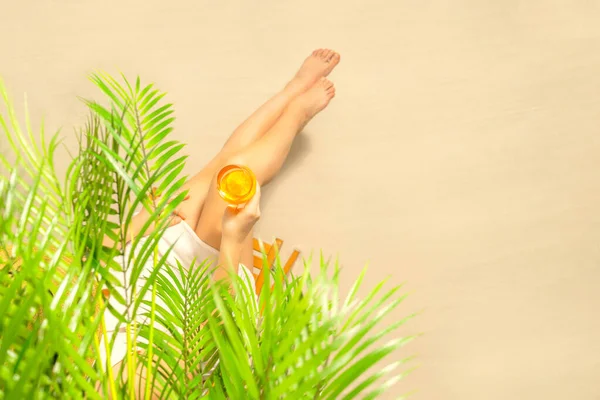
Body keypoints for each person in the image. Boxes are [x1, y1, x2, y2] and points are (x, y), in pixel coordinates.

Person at [99, 49, 341, 395]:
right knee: (236, 173)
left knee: (220, 165)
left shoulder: (87, 368)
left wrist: (147, 221)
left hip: (141, 269)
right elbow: (223, 320)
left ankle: (292, 91)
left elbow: (89, 257)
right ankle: (295, 113)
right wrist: (233, 237)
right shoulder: (171, 380)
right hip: (205, 289)